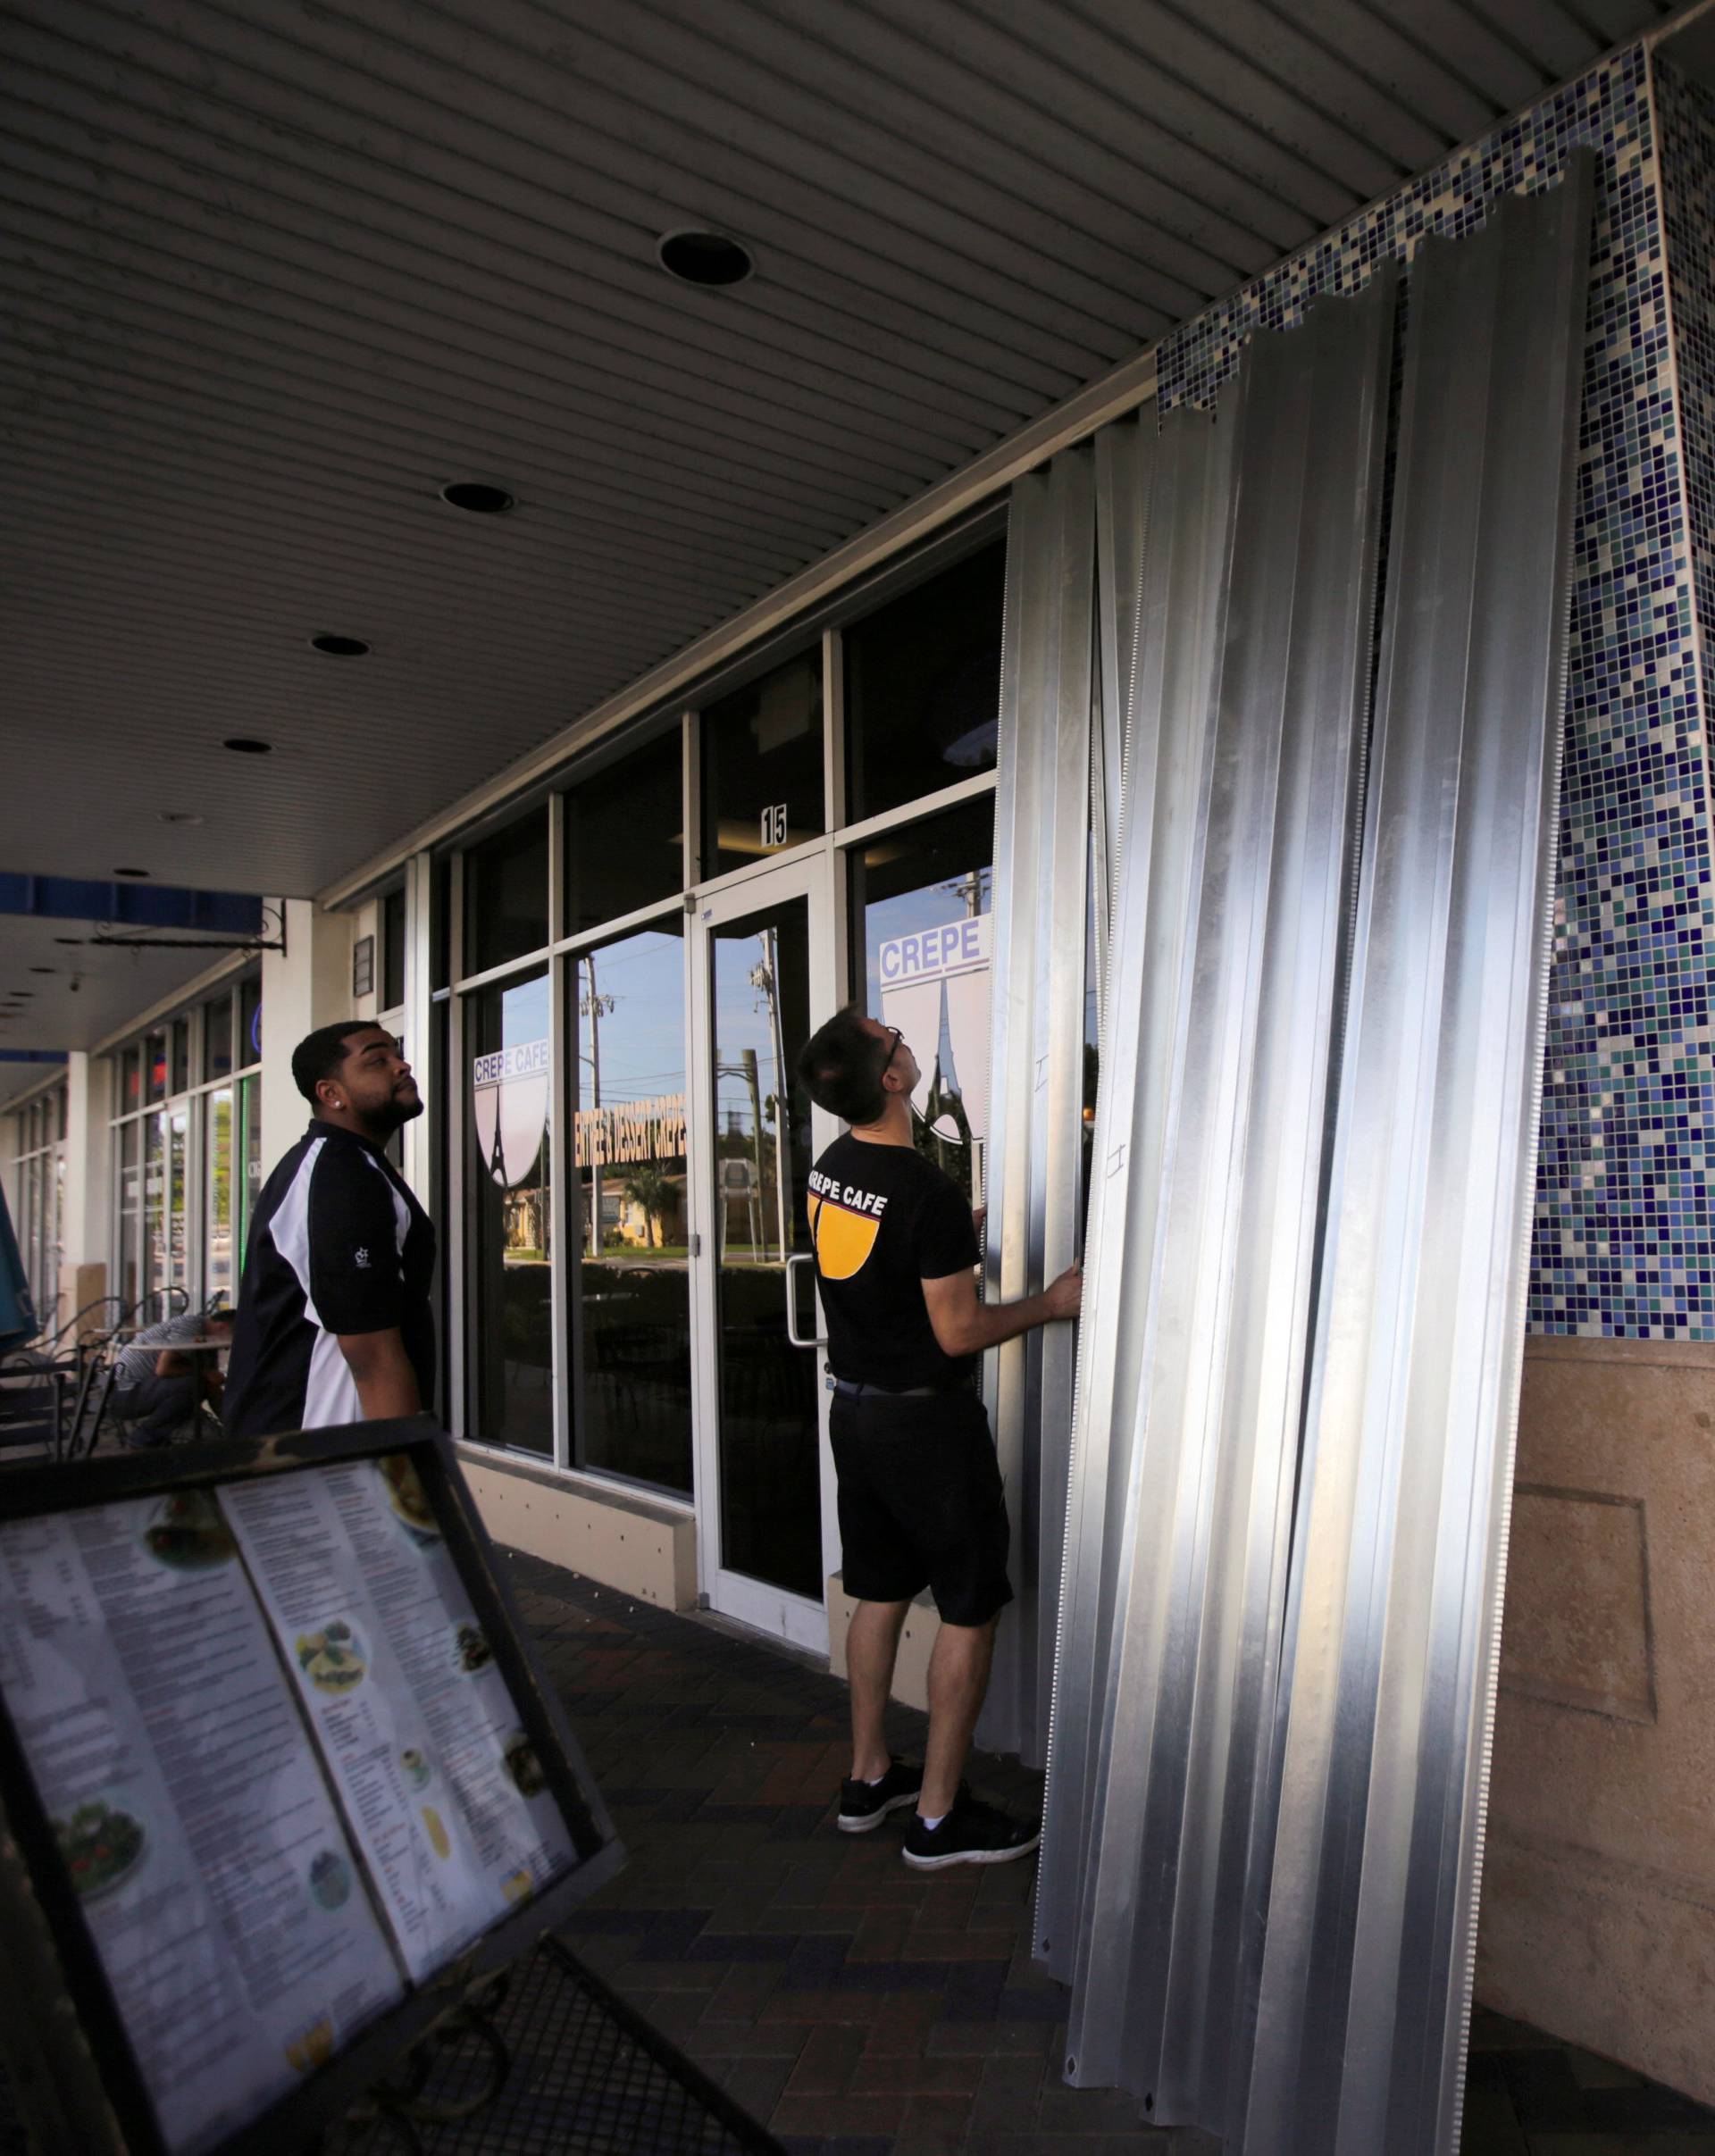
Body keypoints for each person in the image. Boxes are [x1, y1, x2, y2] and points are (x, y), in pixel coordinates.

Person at [796, 1005, 1081, 1870]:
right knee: (968, 1602)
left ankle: (868, 1774)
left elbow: (883, 1259)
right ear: (890, 1077)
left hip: (856, 1412)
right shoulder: (925, 1191)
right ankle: (936, 1817)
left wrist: (953, 1235)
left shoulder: (830, 1170)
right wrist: (1053, 1302)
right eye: (893, 1036)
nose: (904, 1036)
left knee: (878, 1590)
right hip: (926, 1424)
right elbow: (956, 1332)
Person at [222, 1022, 434, 1441]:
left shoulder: (349, 1166)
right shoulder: (341, 1178)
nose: (401, 1066)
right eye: (377, 1060)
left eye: (396, 1054)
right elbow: (372, 1355)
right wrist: (411, 1477)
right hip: (314, 1452)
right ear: (331, 1094)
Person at [112, 1304, 235, 1448]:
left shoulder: (207, 1342)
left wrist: (233, 1426)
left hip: (142, 1389)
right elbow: (163, 1369)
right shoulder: (192, 1326)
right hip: (124, 1393)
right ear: (222, 1326)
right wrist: (206, 1373)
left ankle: (152, 1439)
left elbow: (212, 1387)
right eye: (232, 1337)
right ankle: (143, 1440)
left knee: (198, 1384)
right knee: (193, 1386)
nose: (228, 1347)